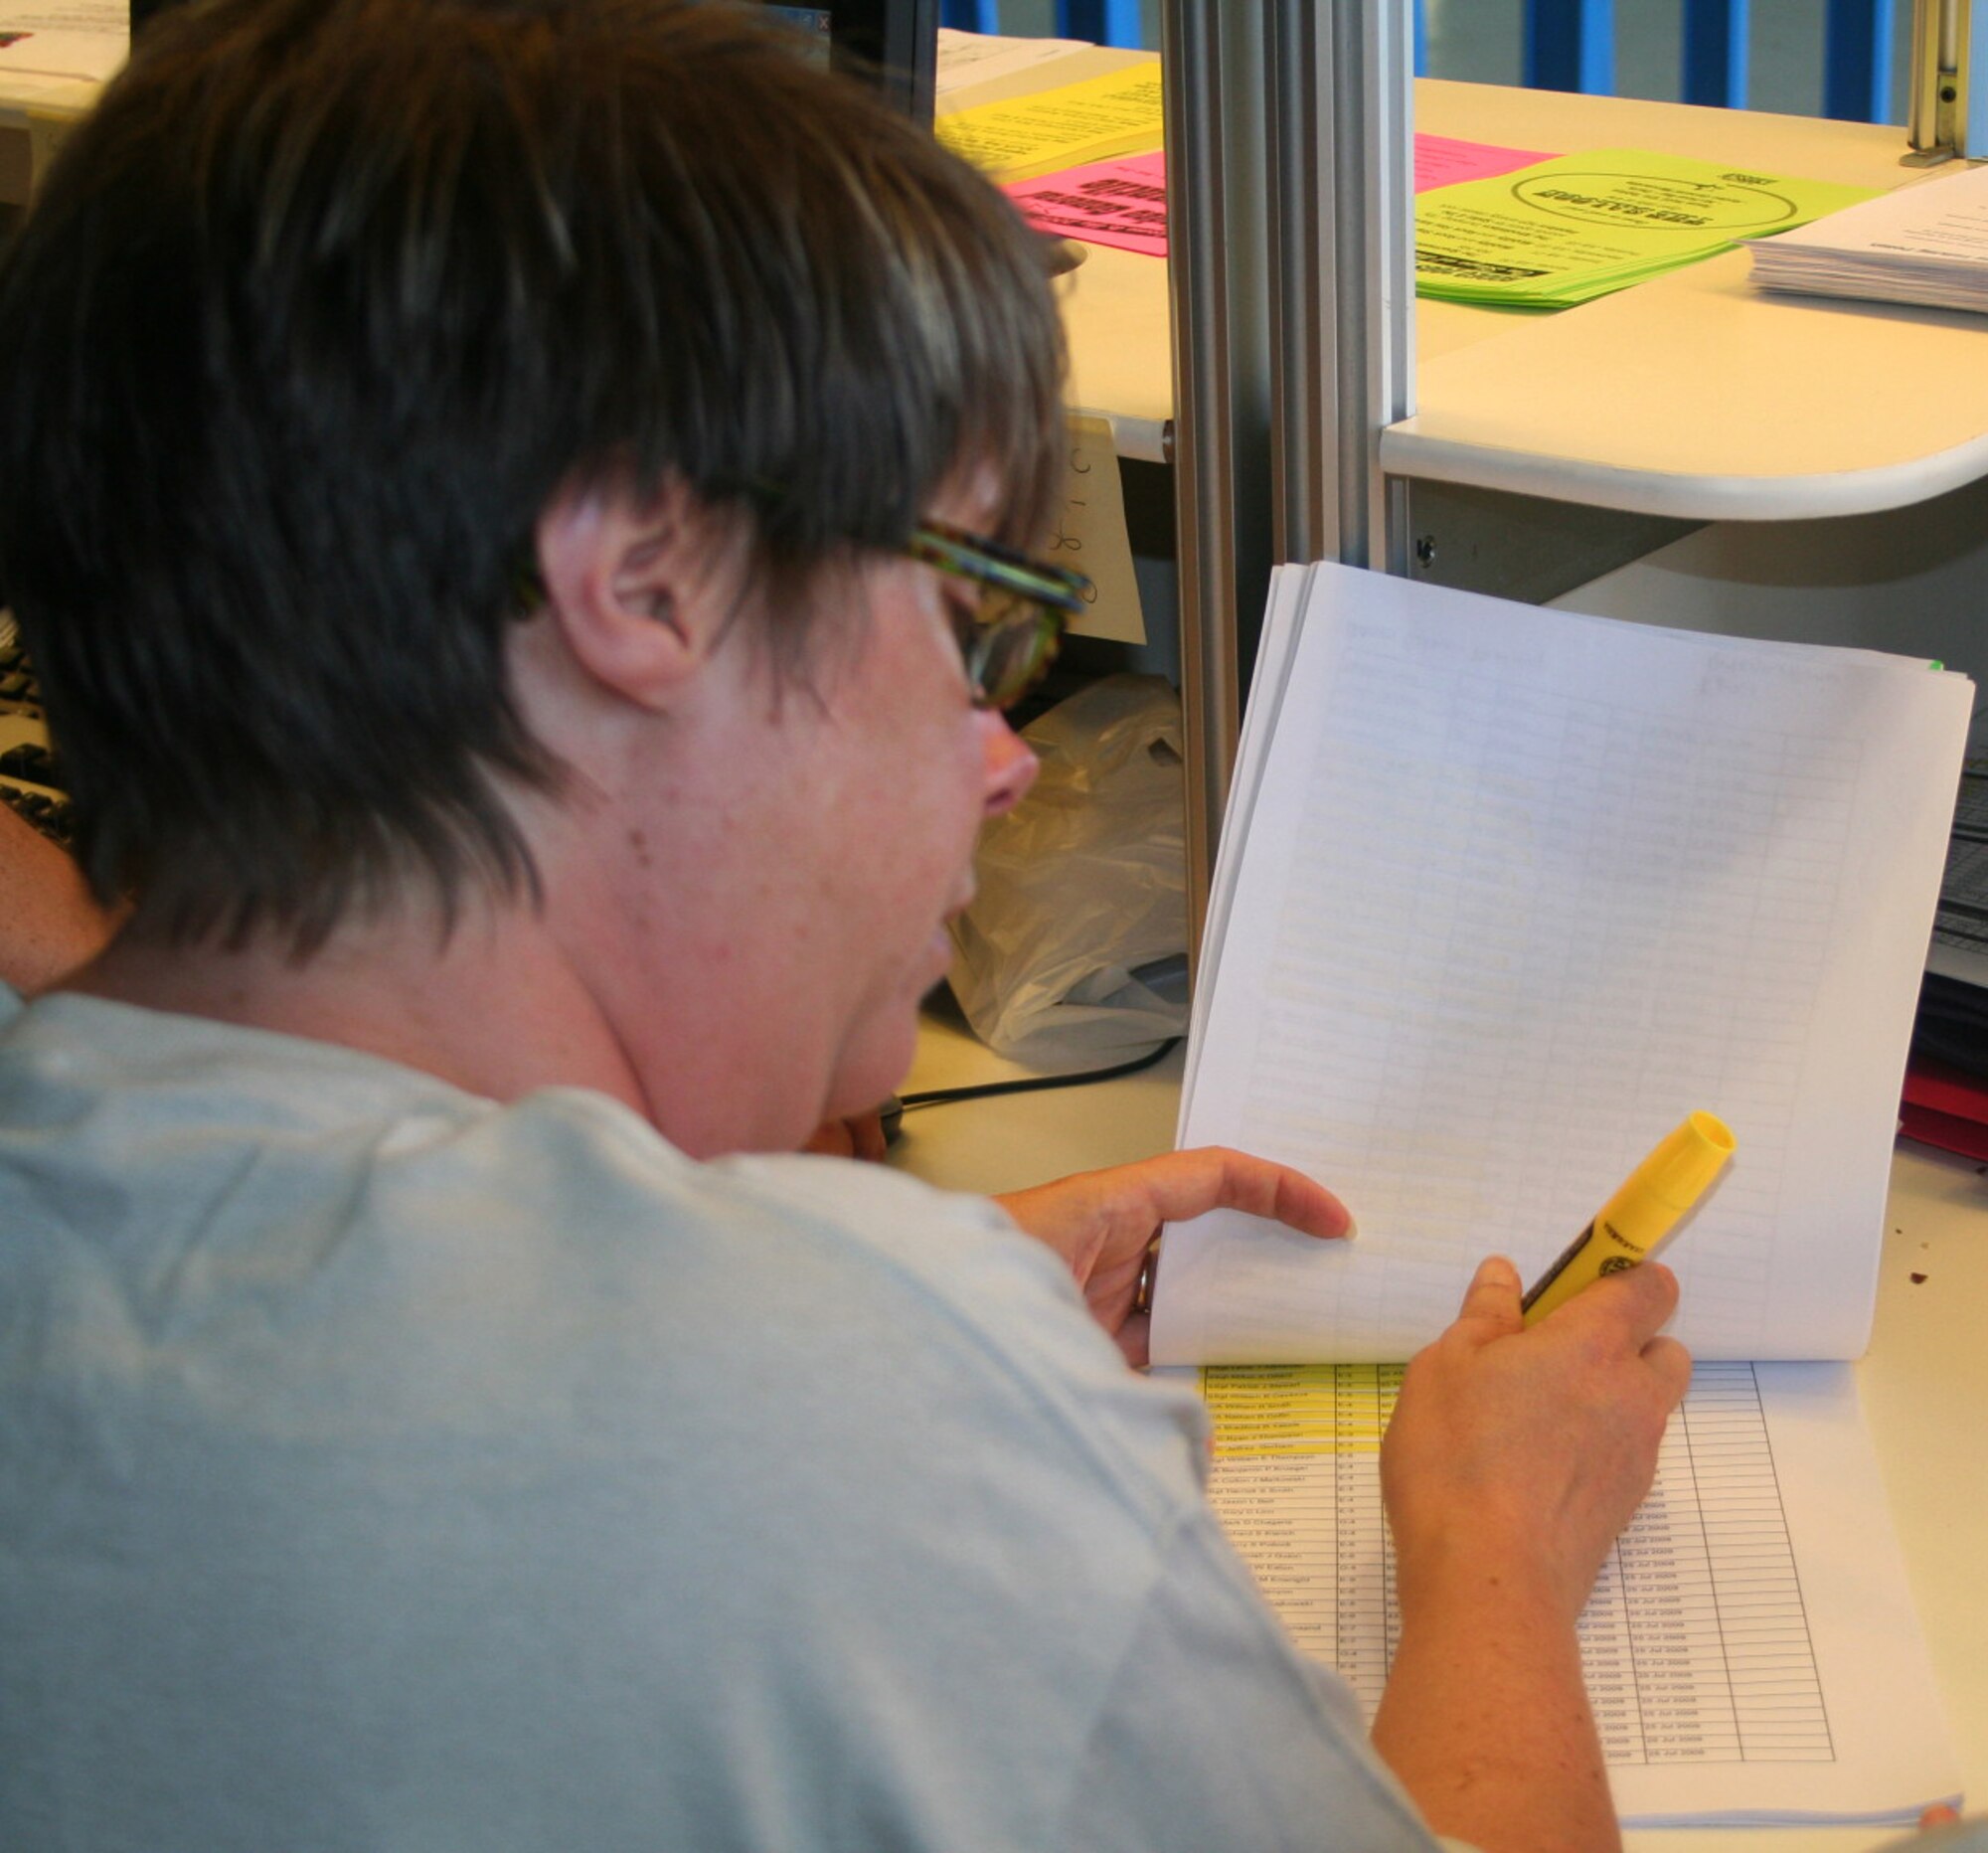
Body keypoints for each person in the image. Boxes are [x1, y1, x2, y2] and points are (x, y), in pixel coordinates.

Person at [0, 3, 1691, 1849]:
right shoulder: (837, 1408)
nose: (1006, 762)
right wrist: (1494, 1551)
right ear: (644, 582)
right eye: (976, 623)